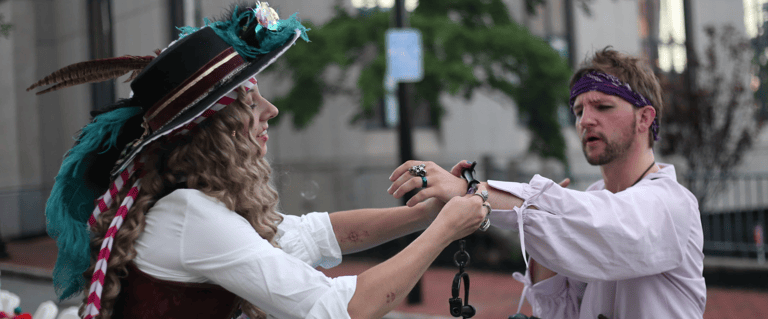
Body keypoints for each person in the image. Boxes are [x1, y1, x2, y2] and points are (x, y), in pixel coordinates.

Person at [29, 3, 488, 318]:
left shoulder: (186, 205)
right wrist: (446, 230)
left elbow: (312, 233)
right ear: (214, 129)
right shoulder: (191, 216)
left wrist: (429, 215)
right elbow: (337, 309)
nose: (271, 111)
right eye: (251, 102)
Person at [387, 48, 707, 318]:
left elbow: (607, 224)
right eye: (578, 110)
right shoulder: (585, 202)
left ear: (644, 118)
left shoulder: (671, 203)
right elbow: (560, 313)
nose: (586, 120)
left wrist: (472, 190)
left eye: (603, 106)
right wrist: (545, 235)